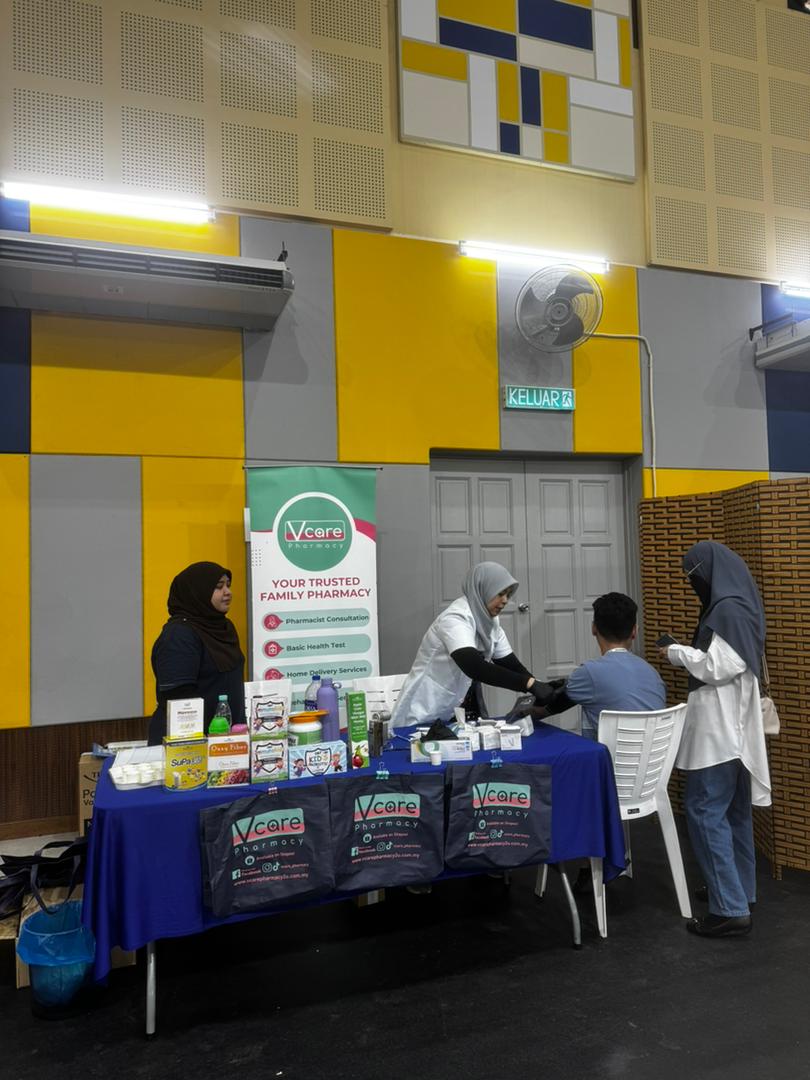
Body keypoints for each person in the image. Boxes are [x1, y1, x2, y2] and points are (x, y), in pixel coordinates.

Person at [660, 540, 770, 938]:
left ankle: (729, 907)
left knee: (705, 812)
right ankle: (738, 891)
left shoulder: (727, 609)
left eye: (693, 575)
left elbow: (720, 667)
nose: (693, 582)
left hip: (719, 735)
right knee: (734, 814)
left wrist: (675, 652)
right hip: (733, 734)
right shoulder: (740, 605)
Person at [391, 562, 552, 726]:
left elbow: (510, 663)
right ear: (483, 589)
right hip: (425, 709)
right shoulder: (455, 618)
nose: (505, 600)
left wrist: (540, 685)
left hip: (456, 709)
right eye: (500, 593)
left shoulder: (490, 622)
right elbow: (475, 667)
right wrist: (529, 684)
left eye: (508, 595)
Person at [540, 592, 666, 739]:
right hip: (657, 752)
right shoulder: (652, 672)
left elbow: (547, 706)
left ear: (594, 628)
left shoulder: (589, 672)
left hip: (610, 753)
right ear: (634, 631)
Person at [147, 561, 246, 745]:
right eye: (219, 587)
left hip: (225, 741)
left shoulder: (224, 627)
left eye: (228, 585)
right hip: (187, 746)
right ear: (197, 592)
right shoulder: (179, 635)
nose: (228, 592)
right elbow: (180, 700)